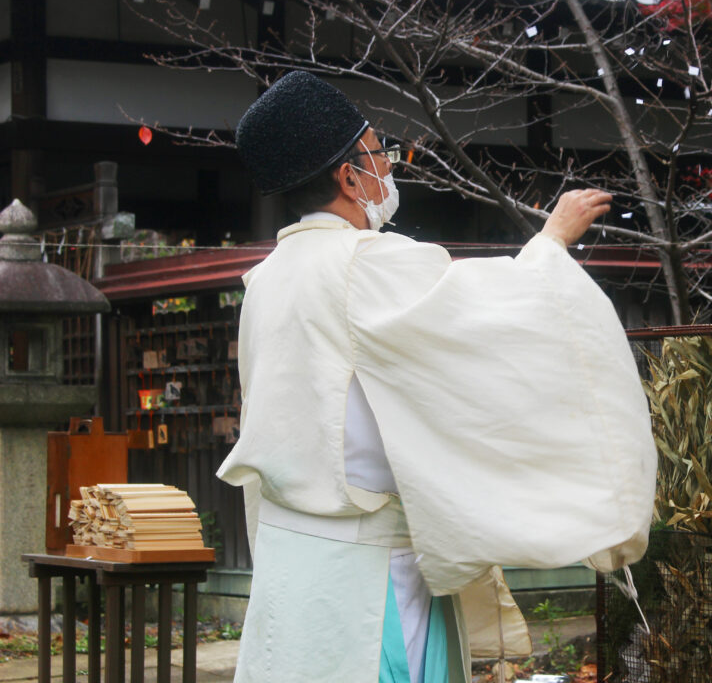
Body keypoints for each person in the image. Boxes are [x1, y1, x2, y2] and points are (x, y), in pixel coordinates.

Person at [217, 71, 655, 682]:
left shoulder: (266, 280)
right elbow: (489, 317)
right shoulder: (362, 264)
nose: (389, 169)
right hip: (371, 574)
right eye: (380, 155)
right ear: (349, 176)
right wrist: (550, 244)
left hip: (294, 566)